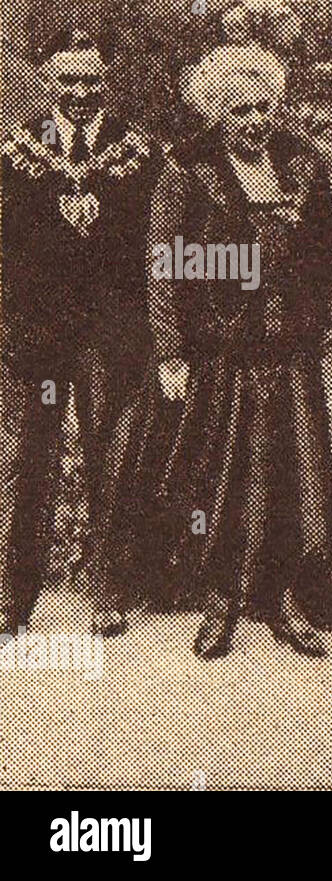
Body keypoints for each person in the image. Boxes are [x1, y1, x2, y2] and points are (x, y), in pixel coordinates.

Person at [147, 42, 332, 659]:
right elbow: (164, 265)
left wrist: (331, 331)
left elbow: (325, 254)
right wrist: (172, 351)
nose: (256, 123)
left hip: (291, 355)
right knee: (221, 479)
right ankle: (222, 601)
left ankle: (284, 600)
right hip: (224, 355)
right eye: (240, 111)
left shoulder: (304, 167)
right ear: (216, 115)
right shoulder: (186, 171)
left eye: (265, 108)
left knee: (297, 480)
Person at [0, 22, 164, 637]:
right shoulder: (15, 152)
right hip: (35, 339)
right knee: (24, 459)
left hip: (110, 337)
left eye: (92, 80)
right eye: (67, 79)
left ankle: (108, 592)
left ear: (108, 82)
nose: (79, 93)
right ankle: (11, 597)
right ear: (46, 80)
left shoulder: (139, 155)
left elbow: (158, 248)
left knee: (111, 461)